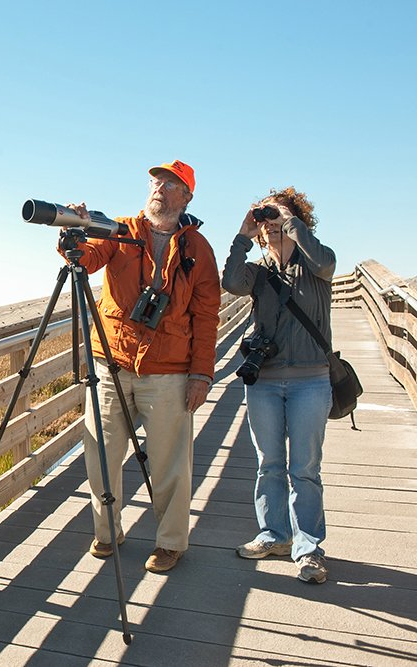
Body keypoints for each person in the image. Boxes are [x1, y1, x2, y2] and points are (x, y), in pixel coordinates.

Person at [61, 160, 221, 573]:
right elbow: (86, 260)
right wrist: (72, 233)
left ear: (186, 196)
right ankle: (107, 532)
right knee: (100, 455)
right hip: (111, 362)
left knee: (170, 464)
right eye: (155, 181)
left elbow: (207, 316)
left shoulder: (198, 248)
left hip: (170, 370)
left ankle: (170, 543)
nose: (159, 188)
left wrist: (201, 374)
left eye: (170, 183)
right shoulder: (121, 230)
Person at [220, 186, 336, 584]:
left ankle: (309, 550)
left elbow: (323, 261)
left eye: (278, 217)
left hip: (310, 381)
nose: (270, 224)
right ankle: (275, 535)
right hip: (264, 381)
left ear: (298, 220)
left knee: (304, 468)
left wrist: (290, 222)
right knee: (268, 463)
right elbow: (231, 282)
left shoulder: (316, 264)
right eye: (264, 218)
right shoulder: (259, 273)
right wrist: (243, 235)